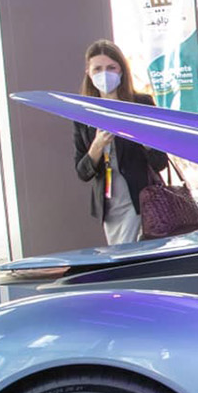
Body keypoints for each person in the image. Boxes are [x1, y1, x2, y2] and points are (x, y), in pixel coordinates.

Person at [72, 40, 167, 245]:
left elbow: (160, 161)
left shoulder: (141, 104)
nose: (104, 74)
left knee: (134, 256)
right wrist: (97, 146)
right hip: (109, 206)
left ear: (121, 70)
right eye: (98, 69)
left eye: (111, 68)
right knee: (120, 254)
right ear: (88, 72)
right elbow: (82, 172)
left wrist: (141, 137)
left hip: (141, 201)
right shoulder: (83, 112)